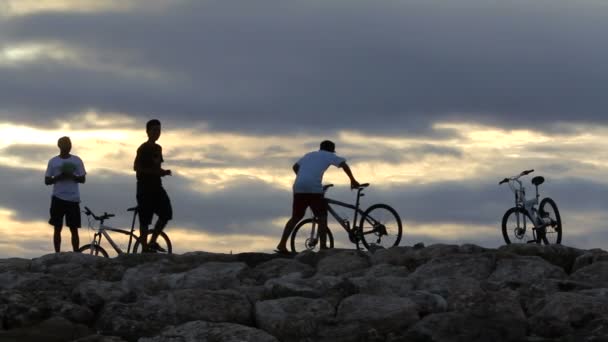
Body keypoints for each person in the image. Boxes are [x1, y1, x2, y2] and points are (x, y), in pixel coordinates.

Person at [276, 140, 360, 253]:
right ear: (331, 150)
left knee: (295, 217)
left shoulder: (309, 155)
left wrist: (304, 177)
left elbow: (295, 166)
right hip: (314, 188)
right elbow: (344, 165)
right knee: (321, 217)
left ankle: (282, 244)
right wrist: (353, 180)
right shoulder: (329, 155)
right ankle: (323, 247)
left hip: (299, 186)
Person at [133, 119, 173, 252]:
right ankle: (144, 249)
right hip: (144, 188)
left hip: (157, 187)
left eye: (159, 130)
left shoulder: (158, 148)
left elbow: (157, 167)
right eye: (154, 130)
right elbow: (136, 167)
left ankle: (153, 241)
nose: (157, 133)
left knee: (166, 213)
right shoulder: (143, 148)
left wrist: (163, 172)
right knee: (144, 219)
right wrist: (153, 172)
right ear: (148, 131)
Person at [44, 136, 86, 252]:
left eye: (69, 144)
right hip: (58, 198)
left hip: (73, 199)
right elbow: (47, 181)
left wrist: (72, 176)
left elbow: (82, 179)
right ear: (60, 146)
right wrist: (59, 177)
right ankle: (57, 253)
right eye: (66, 144)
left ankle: (76, 253)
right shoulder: (53, 161)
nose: (68, 147)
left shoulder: (77, 160)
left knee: (74, 228)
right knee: (57, 228)